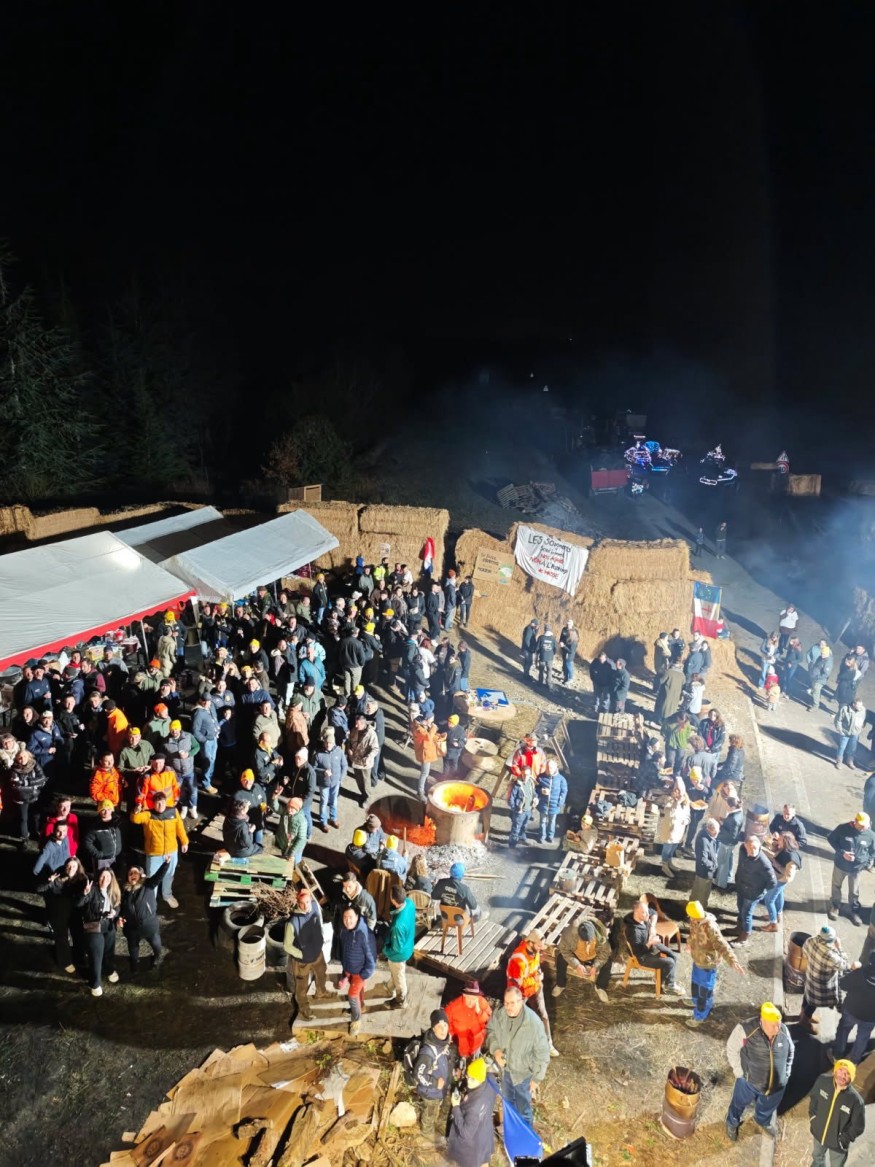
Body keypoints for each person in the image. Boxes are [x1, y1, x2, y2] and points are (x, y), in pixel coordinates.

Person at [725, 1002, 793, 1141]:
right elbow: (731, 1048)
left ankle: (762, 1120)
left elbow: (790, 1050)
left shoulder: (783, 1031)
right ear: (762, 1020)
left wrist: (786, 1073)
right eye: (773, 1025)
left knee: (767, 1107)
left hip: (776, 1086)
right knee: (738, 1104)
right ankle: (732, 1122)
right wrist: (739, 1073)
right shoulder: (746, 1030)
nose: (777, 1028)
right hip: (748, 1083)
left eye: (778, 1024)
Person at [485, 985, 551, 1127]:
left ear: (521, 1002)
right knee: (508, 1105)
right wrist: (496, 1050)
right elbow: (490, 1031)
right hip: (505, 1072)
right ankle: (511, 1131)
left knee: (523, 1110)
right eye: (506, 1003)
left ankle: (525, 1135)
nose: (508, 1007)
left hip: (523, 1075)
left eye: (512, 1003)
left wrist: (537, 1078)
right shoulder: (499, 1015)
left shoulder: (533, 1023)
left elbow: (543, 1052)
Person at [685, 900, 744, 1028]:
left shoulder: (711, 927)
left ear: (697, 915)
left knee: (704, 991)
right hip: (697, 959)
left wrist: (733, 961)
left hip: (708, 964)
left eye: (691, 917)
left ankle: (700, 1015)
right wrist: (689, 943)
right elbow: (692, 934)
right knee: (695, 983)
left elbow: (722, 945)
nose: (690, 919)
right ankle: (695, 1001)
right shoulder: (695, 920)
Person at [130, 791, 189, 910]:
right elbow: (135, 819)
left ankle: (167, 895)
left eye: (162, 802)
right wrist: (136, 810)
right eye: (157, 803)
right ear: (153, 804)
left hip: (171, 852)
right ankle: (151, 899)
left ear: (165, 802)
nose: (160, 805)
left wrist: (184, 841)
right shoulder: (148, 815)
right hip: (154, 854)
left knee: (169, 875)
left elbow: (180, 828)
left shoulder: (173, 812)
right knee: (152, 878)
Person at [507, 929, 558, 1056]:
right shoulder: (518, 960)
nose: (541, 948)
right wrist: (535, 979)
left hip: (534, 987)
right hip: (519, 993)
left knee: (543, 1016)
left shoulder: (535, 951)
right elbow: (518, 983)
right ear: (530, 943)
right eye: (539, 946)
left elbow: (535, 967)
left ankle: (548, 1045)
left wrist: (538, 976)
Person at [285, 887, 332, 1019]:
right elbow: (287, 946)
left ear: (311, 899)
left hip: (317, 954)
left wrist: (320, 940)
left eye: (307, 902)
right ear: (298, 903)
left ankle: (321, 992)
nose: (306, 906)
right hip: (302, 962)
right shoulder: (293, 922)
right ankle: (303, 1008)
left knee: (321, 973)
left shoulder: (315, 906)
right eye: (302, 903)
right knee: (301, 986)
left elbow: (319, 923)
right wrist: (301, 955)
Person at [808, 1059, 865, 1166]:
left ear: (852, 1077)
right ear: (835, 1071)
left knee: (836, 1165)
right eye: (840, 1070)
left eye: (847, 1073)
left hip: (838, 1145)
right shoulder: (822, 1081)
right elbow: (814, 1099)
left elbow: (858, 1127)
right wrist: (813, 1119)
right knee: (817, 1156)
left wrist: (843, 1139)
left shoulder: (856, 1101)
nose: (842, 1076)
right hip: (819, 1134)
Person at [623, 897, 684, 994]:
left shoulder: (643, 916)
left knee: (674, 956)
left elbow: (653, 913)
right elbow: (638, 952)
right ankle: (669, 986)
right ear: (636, 913)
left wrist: (652, 927)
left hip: (651, 944)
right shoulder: (634, 932)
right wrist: (650, 943)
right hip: (643, 956)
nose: (648, 915)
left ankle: (662, 979)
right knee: (670, 962)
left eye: (647, 911)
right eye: (644, 913)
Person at [77, 868, 122, 997]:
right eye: (102, 876)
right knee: (96, 955)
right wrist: (84, 894)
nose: (105, 879)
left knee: (109, 951)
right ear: (98, 877)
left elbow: (117, 906)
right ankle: (95, 983)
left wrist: (115, 913)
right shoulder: (92, 890)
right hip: (94, 927)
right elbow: (79, 904)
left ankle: (108, 970)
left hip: (108, 926)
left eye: (107, 877)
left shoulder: (113, 891)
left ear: (111, 879)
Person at [39, 855, 87, 973]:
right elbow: (40, 889)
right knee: (62, 937)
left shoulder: (82, 879)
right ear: (65, 866)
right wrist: (49, 882)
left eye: (74, 866)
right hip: (59, 911)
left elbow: (82, 899)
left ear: (78, 867)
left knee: (78, 934)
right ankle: (65, 961)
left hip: (74, 910)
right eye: (69, 866)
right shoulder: (57, 875)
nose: (71, 869)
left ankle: (79, 956)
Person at [120, 860, 170, 974]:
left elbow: (158, 876)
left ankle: (157, 957)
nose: (132, 875)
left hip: (149, 925)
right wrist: (121, 917)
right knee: (133, 946)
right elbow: (122, 906)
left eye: (135, 873)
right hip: (131, 927)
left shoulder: (147, 885)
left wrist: (166, 864)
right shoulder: (125, 891)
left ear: (141, 875)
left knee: (156, 944)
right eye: (130, 873)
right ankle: (134, 962)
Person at [800, 925, 852, 1032]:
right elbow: (844, 965)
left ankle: (803, 1014)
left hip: (810, 976)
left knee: (807, 996)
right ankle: (804, 1021)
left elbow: (804, 952)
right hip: (820, 984)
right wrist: (839, 947)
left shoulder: (811, 940)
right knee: (813, 1003)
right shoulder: (830, 955)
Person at [827, 811, 875, 925]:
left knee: (854, 891)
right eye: (862, 825)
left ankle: (853, 910)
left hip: (856, 869)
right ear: (855, 821)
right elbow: (831, 839)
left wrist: (868, 862)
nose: (864, 828)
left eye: (866, 825)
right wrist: (842, 853)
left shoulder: (870, 835)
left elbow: (873, 851)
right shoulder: (842, 829)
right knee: (836, 885)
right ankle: (835, 906)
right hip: (840, 865)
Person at [446, 1056, 495, 1167]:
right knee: (483, 1161)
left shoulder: (474, 1107)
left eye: (473, 1079)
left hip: (473, 1145)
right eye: (468, 1076)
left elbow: (465, 1133)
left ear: (480, 1079)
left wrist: (456, 1106)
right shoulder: (490, 1080)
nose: (468, 1081)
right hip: (485, 1133)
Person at [413, 1009, 452, 1147]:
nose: (443, 1029)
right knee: (429, 1114)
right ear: (433, 1028)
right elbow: (418, 1074)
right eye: (439, 1026)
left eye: (445, 1025)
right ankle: (427, 1135)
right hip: (430, 1092)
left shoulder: (444, 1043)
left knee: (442, 1108)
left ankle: (440, 1126)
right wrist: (434, 1083)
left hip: (441, 1089)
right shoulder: (428, 1052)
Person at [553, 915, 612, 1004]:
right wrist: (577, 965)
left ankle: (600, 987)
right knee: (561, 959)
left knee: (608, 962)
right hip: (576, 955)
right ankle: (560, 984)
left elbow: (605, 952)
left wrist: (596, 966)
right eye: (584, 940)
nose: (587, 943)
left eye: (589, 940)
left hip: (593, 955)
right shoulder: (569, 934)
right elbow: (564, 950)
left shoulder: (601, 934)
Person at [338, 905, 376, 1035]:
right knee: (358, 993)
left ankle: (356, 1021)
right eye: (345, 917)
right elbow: (344, 950)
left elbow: (372, 960)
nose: (347, 921)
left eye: (351, 917)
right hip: (350, 970)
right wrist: (345, 971)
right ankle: (360, 1007)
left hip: (360, 972)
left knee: (352, 996)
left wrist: (363, 975)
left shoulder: (365, 934)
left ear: (357, 917)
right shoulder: (344, 930)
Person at [733, 835, 777, 946]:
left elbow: (772, 882)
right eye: (750, 848)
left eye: (755, 848)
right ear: (745, 846)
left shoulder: (764, 863)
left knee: (746, 914)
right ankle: (739, 928)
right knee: (740, 907)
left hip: (752, 893)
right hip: (742, 887)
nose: (753, 851)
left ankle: (744, 937)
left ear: (759, 846)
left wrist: (759, 890)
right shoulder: (743, 850)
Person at [834, 950, 875, 1065]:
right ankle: (853, 1061)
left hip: (851, 1010)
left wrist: (851, 969)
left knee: (843, 1030)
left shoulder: (860, 973)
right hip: (870, 1017)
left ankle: (837, 1055)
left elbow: (843, 984)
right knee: (863, 1037)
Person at [382, 884, 416, 1008]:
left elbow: (396, 948)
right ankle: (390, 986)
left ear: (393, 900)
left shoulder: (397, 926)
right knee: (397, 972)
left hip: (399, 955)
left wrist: (385, 950)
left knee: (399, 974)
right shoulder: (410, 903)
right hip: (408, 945)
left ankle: (401, 1000)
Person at [761, 834, 801, 931]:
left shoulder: (791, 858)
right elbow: (775, 855)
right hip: (779, 878)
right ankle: (777, 915)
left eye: (779, 840)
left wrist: (777, 882)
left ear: (785, 842)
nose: (777, 841)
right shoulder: (786, 849)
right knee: (779, 895)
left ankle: (773, 924)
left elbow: (788, 877)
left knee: (768, 899)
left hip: (780, 880)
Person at [8, 749, 48, 845]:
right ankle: (24, 838)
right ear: (17, 759)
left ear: (29, 757)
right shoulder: (14, 769)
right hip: (21, 798)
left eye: (25, 756)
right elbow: (16, 787)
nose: (22, 759)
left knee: (35, 816)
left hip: (35, 796)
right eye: (20, 757)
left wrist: (25, 782)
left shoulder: (35, 765)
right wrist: (34, 786)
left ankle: (35, 832)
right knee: (23, 818)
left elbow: (42, 778)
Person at [445, 981, 492, 1062]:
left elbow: (490, 1021)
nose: (471, 1002)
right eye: (469, 998)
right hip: (461, 1046)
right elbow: (446, 1022)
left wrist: (480, 1012)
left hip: (477, 1043)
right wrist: (451, 1033)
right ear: (464, 995)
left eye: (474, 999)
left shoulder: (482, 1003)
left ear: (478, 997)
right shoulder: (453, 1007)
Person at [315, 728, 347, 832]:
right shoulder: (318, 754)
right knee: (324, 802)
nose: (328, 745)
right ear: (324, 742)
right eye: (327, 743)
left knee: (334, 801)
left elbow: (344, 766)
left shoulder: (339, 752)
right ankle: (323, 822)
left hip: (335, 782)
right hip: (324, 783)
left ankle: (333, 818)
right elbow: (313, 768)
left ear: (334, 743)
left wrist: (340, 779)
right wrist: (323, 772)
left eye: (331, 743)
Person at [656, 782, 690, 877]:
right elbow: (670, 813)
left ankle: (669, 862)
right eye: (676, 791)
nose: (678, 794)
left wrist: (686, 821)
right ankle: (664, 865)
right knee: (667, 848)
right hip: (670, 829)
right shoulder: (669, 800)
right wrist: (677, 802)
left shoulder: (685, 803)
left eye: (680, 792)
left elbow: (688, 815)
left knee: (673, 847)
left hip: (679, 830)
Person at [347, 713, 379, 806]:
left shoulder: (371, 734)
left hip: (365, 763)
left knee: (366, 782)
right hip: (355, 761)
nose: (356, 726)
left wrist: (367, 758)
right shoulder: (355, 730)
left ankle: (368, 798)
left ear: (363, 723)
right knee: (359, 781)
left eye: (358, 724)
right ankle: (363, 795)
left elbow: (375, 749)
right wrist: (349, 748)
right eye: (355, 723)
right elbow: (350, 741)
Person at [83, 801, 124, 873]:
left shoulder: (118, 822)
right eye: (103, 810)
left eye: (108, 809)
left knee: (115, 877)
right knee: (102, 877)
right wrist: (98, 854)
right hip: (103, 860)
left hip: (117, 857)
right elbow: (87, 842)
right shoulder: (95, 825)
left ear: (112, 810)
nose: (106, 812)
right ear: (99, 811)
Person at [689, 818, 720, 908]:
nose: (716, 834)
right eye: (715, 832)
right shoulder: (704, 840)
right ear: (708, 829)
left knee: (696, 892)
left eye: (717, 832)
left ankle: (691, 909)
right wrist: (713, 866)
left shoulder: (706, 835)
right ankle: (700, 912)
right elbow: (703, 860)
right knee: (702, 896)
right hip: (705, 873)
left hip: (702, 871)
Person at [536, 757, 568, 844]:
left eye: (550, 768)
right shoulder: (541, 777)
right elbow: (535, 788)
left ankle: (550, 836)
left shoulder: (561, 779)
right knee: (542, 821)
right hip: (543, 804)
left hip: (554, 805)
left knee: (552, 822)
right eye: (547, 767)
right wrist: (541, 791)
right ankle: (542, 836)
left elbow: (564, 791)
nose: (548, 770)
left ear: (555, 767)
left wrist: (560, 803)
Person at [714, 796, 743, 890]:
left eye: (727, 805)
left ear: (732, 807)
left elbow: (732, 835)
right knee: (726, 861)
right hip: (731, 843)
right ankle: (726, 878)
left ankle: (720, 883)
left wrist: (719, 826)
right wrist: (723, 820)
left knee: (723, 863)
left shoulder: (734, 818)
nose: (726, 807)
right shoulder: (739, 813)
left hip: (727, 843)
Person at [413, 716, 444, 801]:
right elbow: (428, 737)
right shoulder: (419, 729)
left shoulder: (423, 727)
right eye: (430, 720)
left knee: (425, 773)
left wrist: (439, 736)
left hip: (427, 754)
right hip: (424, 755)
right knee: (424, 774)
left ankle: (423, 789)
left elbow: (431, 737)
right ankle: (420, 792)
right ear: (424, 721)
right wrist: (434, 728)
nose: (431, 722)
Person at [508, 767, 536, 848]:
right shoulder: (517, 784)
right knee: (516, 828)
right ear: (521, 773)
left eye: (527, 774)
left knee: (524, 826)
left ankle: (522, 839)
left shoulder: (531, 782)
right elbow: (511, 799)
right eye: (524, 774)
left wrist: (535, 798)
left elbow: (533, 793)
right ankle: (512, 845)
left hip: (528, 810)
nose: (525, 776)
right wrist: (515, 809)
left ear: (530, 774)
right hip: (519, 811)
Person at [834, 699, 866, 769]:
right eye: (859, 705)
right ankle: (839, 762)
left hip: (855, 734)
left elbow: (863, 720)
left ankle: (850, 761)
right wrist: (840, 730)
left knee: (852, 749)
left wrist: (860, 730)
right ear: (853, 704)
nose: (860, 707)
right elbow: (838, 720)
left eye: (861, 705)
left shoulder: (862, 710)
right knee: (842, 747)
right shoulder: (845, 709)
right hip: (845, 733)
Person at [808, 641, 834, 712]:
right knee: (814, 691)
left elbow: (826, 674)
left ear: (827, 654)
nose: (822, 655)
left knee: (816, 691)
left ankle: (815, 706)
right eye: (822, 653)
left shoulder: (828, 662)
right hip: (815, 677)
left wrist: (818, 677)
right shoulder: (821, 657)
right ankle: (814, 701)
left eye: (824, 654)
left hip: (820, 680)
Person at [536, 624, 557, 689]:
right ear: (550, 630)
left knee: (541, 670)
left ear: (544, 629)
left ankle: (540, 683)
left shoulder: (541, 638)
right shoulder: (553, 639)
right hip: (550, 657)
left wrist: (538, 653)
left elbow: (537, 648)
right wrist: (552, 653)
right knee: (549, 670)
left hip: (542, 657)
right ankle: (548, 684)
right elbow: (555, 649)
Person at [559, 619, 579, 685]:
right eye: (567, 624)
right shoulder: (564, 629)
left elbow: (571, 650)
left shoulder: (574, 632)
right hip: (564, 648)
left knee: (569, 664)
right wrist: (561, 643)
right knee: (565, 663)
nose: (568, 625)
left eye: (569, 624)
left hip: (569, 650)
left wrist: (564, 646)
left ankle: (570, 678)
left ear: (572, 624)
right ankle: (566, 677)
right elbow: (561, 637)